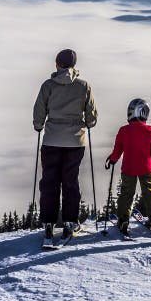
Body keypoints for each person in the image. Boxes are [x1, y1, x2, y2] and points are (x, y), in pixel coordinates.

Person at [33, 49, 98, 246]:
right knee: (70, 182)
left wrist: (39, 126)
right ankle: (70, 221)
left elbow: (39, 112)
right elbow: (92, 117)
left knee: (50, 182)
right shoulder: (83, 86)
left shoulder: (48, 86)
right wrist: (87, 124)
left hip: (51, 140)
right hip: (75, 143)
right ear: (73, 65)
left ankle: (48, 223)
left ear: (57, 64)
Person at [105, 98, 151, 237]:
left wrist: (112, 160)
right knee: (149, 192)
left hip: (129, 167)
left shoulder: (124, 130)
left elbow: (118, 149)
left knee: (126, 193)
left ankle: (123, 220)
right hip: (146, 167)